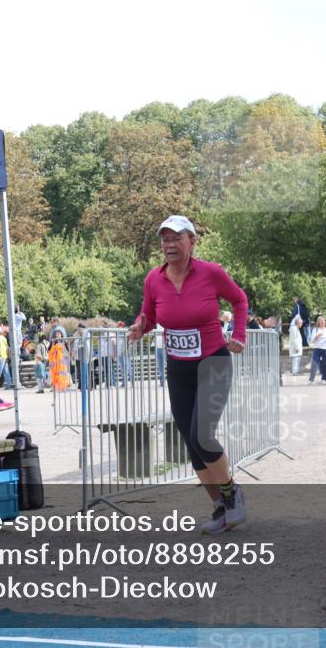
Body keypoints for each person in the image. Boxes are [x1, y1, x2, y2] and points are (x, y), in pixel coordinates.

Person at [127, 215, 248, 535]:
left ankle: (233, 493)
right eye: (164, 239)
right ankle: (221, 507)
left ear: (192, 242)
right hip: (178, 368)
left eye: (176, 238)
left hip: (213, 363)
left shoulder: (211, 273)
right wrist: (141, 326)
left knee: (202, 435)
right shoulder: (154, 279)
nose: (169, 244)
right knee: (191, 444)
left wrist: (239, 335)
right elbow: (150, 314)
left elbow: (239, 300)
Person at [308, 316, 326, 384]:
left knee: (325, 364)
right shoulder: (315, 330)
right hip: (317, 348)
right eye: (321, 321)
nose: (322, 322)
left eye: (323, 321)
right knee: (314, 363)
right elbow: (312, 340)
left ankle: (324, 379)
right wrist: (317, 336)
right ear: (318, 322)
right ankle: (311, 380)